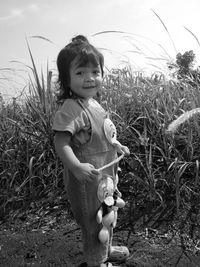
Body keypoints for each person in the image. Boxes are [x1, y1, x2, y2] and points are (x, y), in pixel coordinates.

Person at [52, 35, 130, 267]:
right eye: (80, 73)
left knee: (109, 210)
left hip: (105, 175)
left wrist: (117, 145)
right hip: (87, 179)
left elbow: (105, 134)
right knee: (93, 220)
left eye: (95, 72)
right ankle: (97, 260)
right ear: (66, 79)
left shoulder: (94, 104)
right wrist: (75, 166)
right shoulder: (71, 108)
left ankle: (106, 248)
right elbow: (61, 142)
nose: (90, 78)